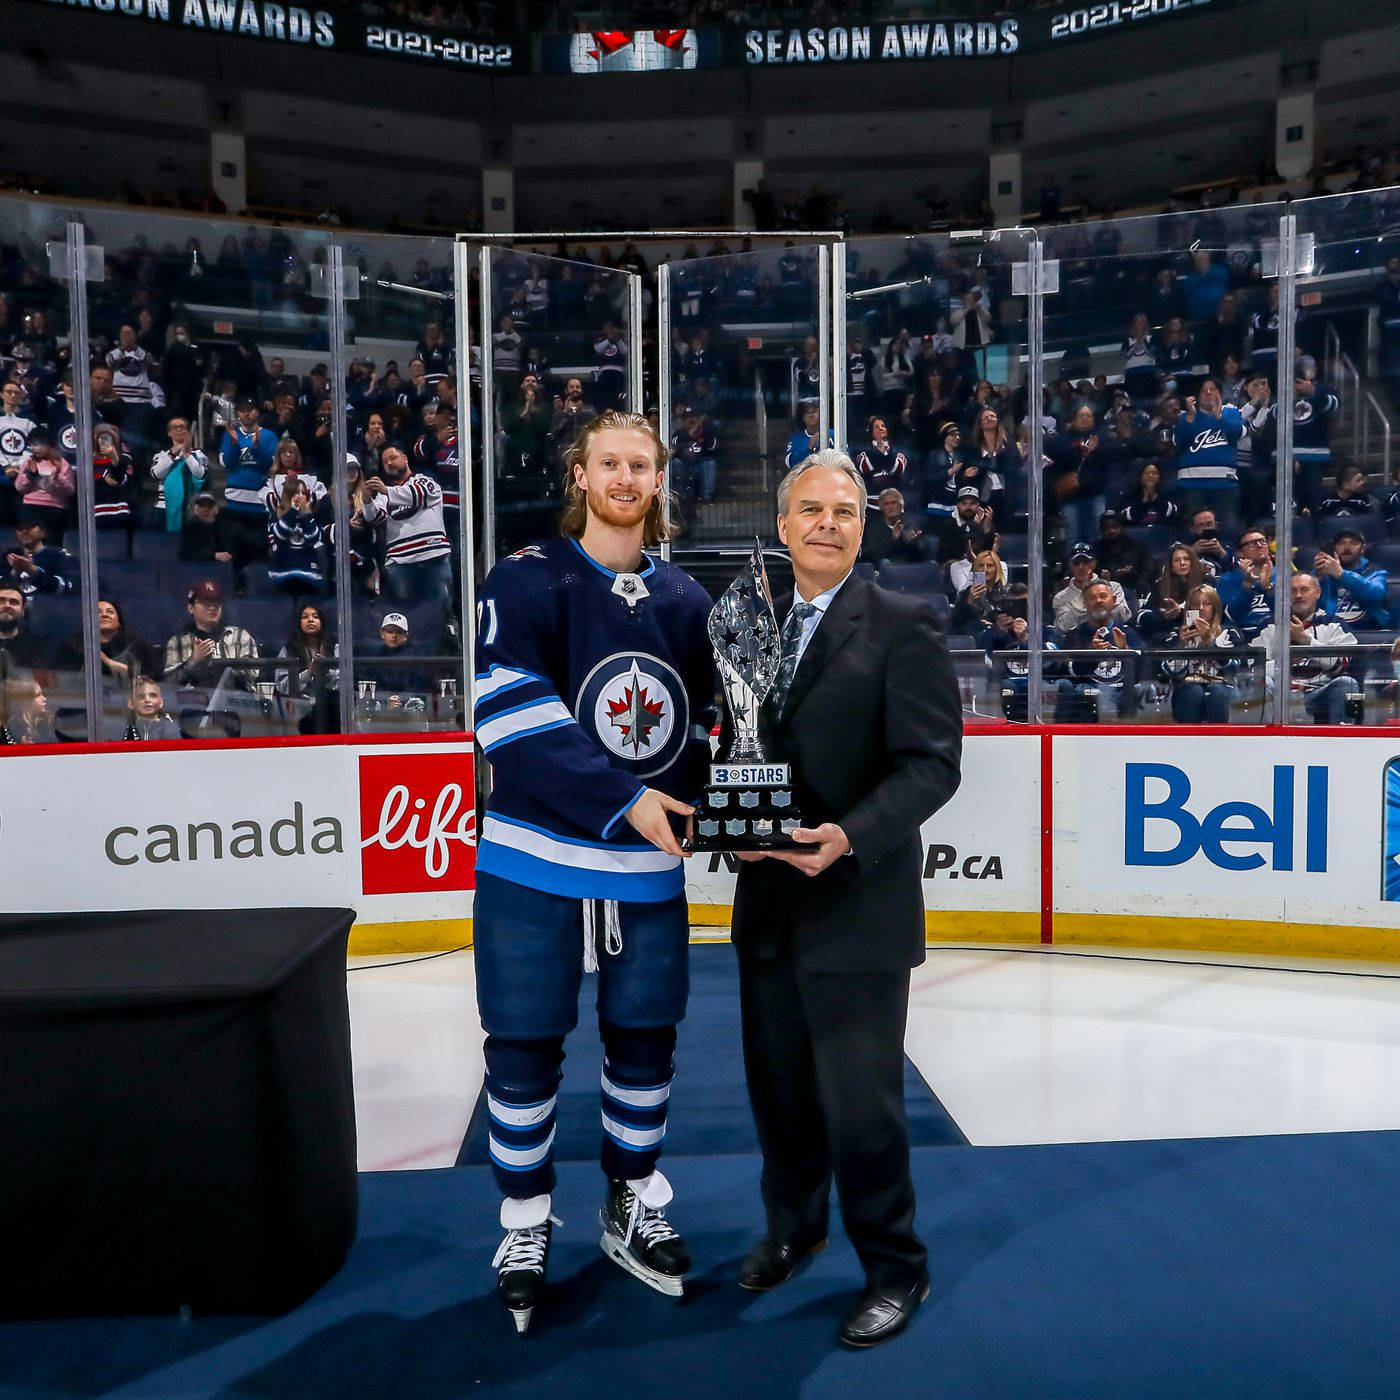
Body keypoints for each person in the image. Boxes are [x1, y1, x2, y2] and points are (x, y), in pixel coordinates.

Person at [470, 409, 715, 1332]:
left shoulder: (689, 602)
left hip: (644, 870)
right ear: (579, 474)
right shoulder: (524, 581)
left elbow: (704, 733)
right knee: (525, 1041)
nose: (624, 477)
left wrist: (737, 802)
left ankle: (631, 1196)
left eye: (640, 464)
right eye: (608, 462)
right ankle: (525, 1219)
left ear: (658, 481)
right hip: (534, 861)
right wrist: (631, 800)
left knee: (645, 1037)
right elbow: (508, 719)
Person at [729, 448, 961, 1349]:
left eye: (847, 512)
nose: (830, 522)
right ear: (783, 526)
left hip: (859, 909)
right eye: (813, 509)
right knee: (780, 1096)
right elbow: (739, 744)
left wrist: (851, 835)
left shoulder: (905, 623)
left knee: (862, 1110)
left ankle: (897, 1268)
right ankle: (795, 1229)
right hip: (769, 910)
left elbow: (933, 763)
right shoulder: (747, 626)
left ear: (864, 531)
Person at [1252, 573, 1358, 724]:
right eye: (1293, 590)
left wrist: (1306, 641)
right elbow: (1256, 671)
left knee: (1347, 683)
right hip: (1278, 694)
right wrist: (1285, 662)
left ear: (1318, 592)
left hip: (1318, 693)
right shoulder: (1269, 625)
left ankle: (1342, 742)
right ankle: (1262, 739)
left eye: (1304, 589)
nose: (1298, 595)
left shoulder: (1335, 624)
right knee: (1262, 683)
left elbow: (1341, 666)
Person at [360, 446, 451, 606]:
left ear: (405, 458)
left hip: (433, 556)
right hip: (400, 562)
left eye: (393, 458)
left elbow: (417, 494)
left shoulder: (425, 480)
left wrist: (386, 490)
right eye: (385, 461)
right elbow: (375, 518)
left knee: (442, 612)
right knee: (407, 617)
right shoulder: (384, 496)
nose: (389, 463)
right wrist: (367, 501)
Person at [1056, 580, 1145, 722]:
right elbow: (1070, 673)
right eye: (1091, 598)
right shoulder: (1075, 636)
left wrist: (1125, 650)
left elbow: (1142, 670)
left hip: (1121, 691)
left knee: (1134, 691)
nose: (1098, 601)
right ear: (1084, 603)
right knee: (1080, 692)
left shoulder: (1128, 633)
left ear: (1114, 600)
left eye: (1103, 596)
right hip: (1087, 696)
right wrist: (1092, 653)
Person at [1160, 585, 1242, 723]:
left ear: (1215, 607)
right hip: (1188, 688)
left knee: (1216, 691)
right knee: (1193, 691)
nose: (1201, 608)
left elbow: (1234, 667)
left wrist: (1209, 641)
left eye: (1207, 604)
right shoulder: (1177, 635)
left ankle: (1221, 739)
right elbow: (1169, 672)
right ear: (1189, 608)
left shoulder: (1228, 632)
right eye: (1196, 604)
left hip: (1223, 687)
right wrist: (1181, 645)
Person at [162, 580, 260, 691]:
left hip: (234, 702)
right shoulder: (178, 642)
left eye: (216, 601)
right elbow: (168, 683)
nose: (212, 606)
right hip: (191, 704)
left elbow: (251, 673)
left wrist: (216, 666)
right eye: (205, 602)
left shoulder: (240, 637)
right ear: (190, 608)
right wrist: (193, 661)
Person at [1053, 543, 1130, 633]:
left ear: (1094, 563)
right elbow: (1063, 627)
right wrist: (1081, 597)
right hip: (1079, 642)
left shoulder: (1114, 587)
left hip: (1112, 636)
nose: (1081, 567)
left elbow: (1122, 617)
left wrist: (1108, 591)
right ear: (1071, 566)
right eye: (1076, 563)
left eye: (1086, 561)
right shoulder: (1061, 597)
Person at [150, 415, 209, 533]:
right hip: (164, 509)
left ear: (188, 431)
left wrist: (187, 454)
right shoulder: (161, 455)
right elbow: (157, 474)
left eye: (182, 427)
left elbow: (200, 474)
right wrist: (174, 452)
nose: (179, 430)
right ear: (169, 433)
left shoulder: (198, 454)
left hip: (188, 510)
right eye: (175, 427)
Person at [267, 479, 325, 595]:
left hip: (309, 575)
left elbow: (313, 538)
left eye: (304, 493)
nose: (300, 497)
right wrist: (293, 511)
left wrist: (304, 515)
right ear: (287, 496)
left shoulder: (312, 517)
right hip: (282, 574)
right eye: (296, 493)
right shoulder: (275, 516)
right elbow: (280, 534)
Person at [861, 488, 929, 566]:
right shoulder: (874, 527)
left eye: (893, 503)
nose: (890, 507)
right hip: (885, 570)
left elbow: (923, 555)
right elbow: (875, 555)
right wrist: (894, 539)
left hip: (910, 568)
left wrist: (913, 543)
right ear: (881, 507)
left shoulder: (911, 525)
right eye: (886, 504)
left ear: (901, 505)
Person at [123, 676, 181, 742]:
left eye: (152, 695)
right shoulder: (122, 729)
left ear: (161, 703)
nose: (147, 700)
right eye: (141, 696)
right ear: (131, 703)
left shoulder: (170, 729)